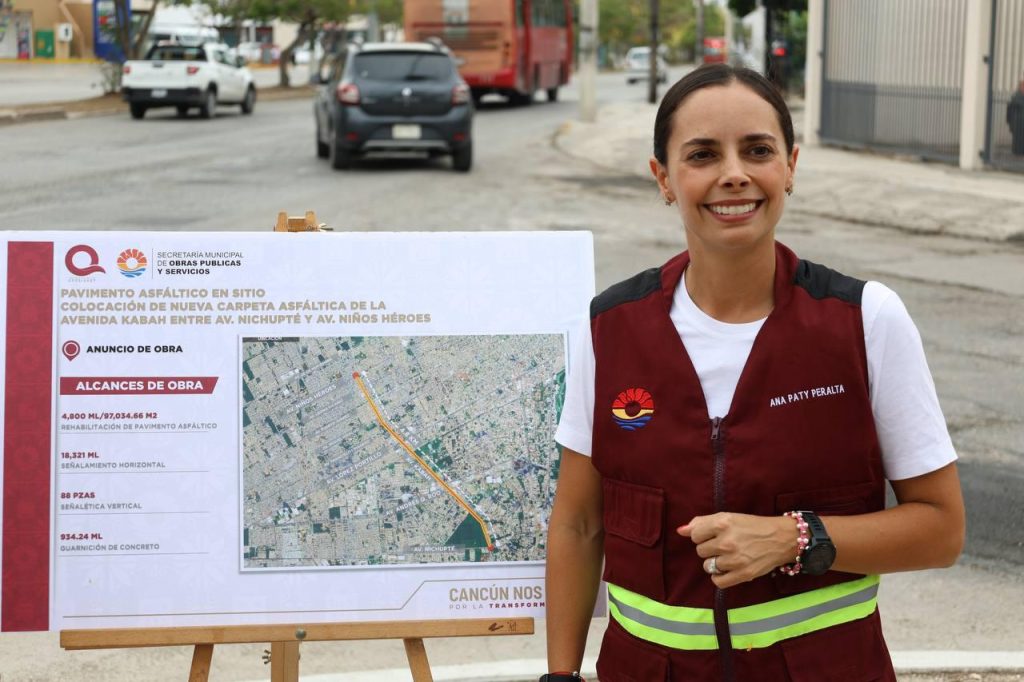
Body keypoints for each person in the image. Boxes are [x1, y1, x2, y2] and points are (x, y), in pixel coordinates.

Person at [541, 64, 965, 682]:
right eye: (703, 154)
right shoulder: (610, 328)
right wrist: (559, 675)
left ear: (790, 166)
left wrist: (797, 538)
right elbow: (579, 524)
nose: (733, 173)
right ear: (663, 178)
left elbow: (942, 530)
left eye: (758, 150)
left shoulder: (865, 321)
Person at [1008, 78, 1024, 156]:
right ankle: (1017, 152)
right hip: (1018, 122)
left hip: (1020, 121)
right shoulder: (1016, 96)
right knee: (1018, 139)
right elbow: (1011, 109)